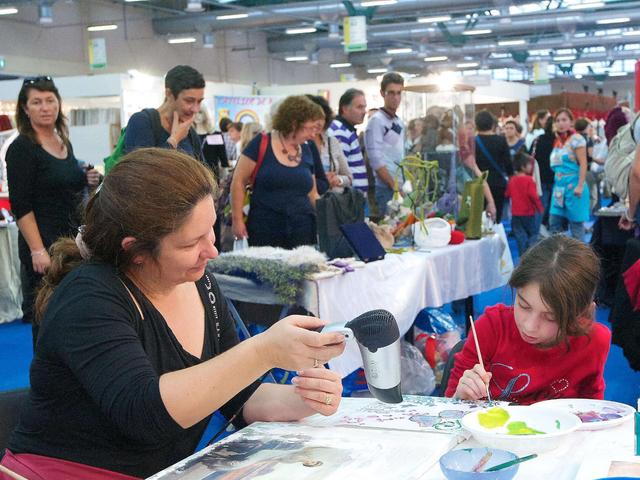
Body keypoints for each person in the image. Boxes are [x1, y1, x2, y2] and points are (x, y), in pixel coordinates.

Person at [0, 148, 346, 479]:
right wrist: (262, 351)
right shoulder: (87, 298)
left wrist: (302, 399)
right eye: (190, 243)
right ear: (134, 250)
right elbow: (145, 415)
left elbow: (237, 395)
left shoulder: (198, 281)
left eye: (211, 228)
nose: (211, 250)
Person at [445, 235, 610, 405]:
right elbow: (449, 405)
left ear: (580, 313)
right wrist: (460, 396)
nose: (530, 327)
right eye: (524, 306)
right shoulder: (492, 328)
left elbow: (592, 409)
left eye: (551, 317)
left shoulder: (593, 341)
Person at [6, 76, 100, 330]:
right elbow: (21, 204)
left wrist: (86, 180)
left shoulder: (63, 142)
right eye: (36, 102)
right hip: (44, 248)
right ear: (25, 109)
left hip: (71, 244)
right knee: (48, 322)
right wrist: (38, 250)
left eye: (50, 100)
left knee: (74, 319)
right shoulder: (21, 149)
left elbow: (62, 185)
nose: (45, 107)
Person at [231, 95, 323, 248]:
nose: (313, 134)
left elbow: (312, 193)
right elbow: (238, 181)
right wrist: (237, 220)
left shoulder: (307, 149)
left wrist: (326, 218)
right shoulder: (260, 143)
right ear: (294, 123)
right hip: (265, 228)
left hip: (303, 229)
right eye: (310, 128)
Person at [123, 65, 204, 160]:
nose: (196, 109)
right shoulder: (142, 121)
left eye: (199, 101)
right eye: (189, 101)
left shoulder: (190, 132)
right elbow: (143, 171)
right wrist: (174, 140)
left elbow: (203, 170)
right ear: (169, 94)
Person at [365, 72, 406, 216]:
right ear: (382, 93)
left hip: (400, 186)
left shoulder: (398, 121)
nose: (395, 98)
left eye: (399, 93)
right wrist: (394, 186)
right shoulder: (376, 121)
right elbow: (376, 160)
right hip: (386, 188)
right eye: (391, 93)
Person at [549, 108, 589, 240]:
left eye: (564, 119)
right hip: (559, 188)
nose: (561, 123)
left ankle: (580, 259)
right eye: (558, 120)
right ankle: (558, 256)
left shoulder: (576, 139)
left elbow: (583, 163)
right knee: (554, 223)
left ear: (571, 122)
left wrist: (580, 185)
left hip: (574, 186)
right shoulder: (557, 141)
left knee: (576, 227)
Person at [307, 95, 352, 193]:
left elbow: (349, 177)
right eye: (314, 118)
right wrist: (323, 182)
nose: (319, 123)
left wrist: (337, 180)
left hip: (333, 202)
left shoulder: (332, 142)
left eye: (322, 118)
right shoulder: (301, 144)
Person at [474, 110, 513, 223]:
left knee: (480, 217)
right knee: (496, 217)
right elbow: (508, 163)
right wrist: (510, 177)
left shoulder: (473, 142)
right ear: (492, 124)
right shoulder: (500, 140)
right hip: (498, 183)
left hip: (479, 183)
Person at [328, 88, 368, 195]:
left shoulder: (346, 130)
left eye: (364, 107)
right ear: (345, 109)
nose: (364, 111)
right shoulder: (340, 131)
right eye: (359, 107)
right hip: (350, 199)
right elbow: (340, 170)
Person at [505, 152, 543, 255]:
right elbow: (533, 196)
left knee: (519, 235)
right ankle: (530, 253)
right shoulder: (529, 180)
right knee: (533, 234)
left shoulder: (512, 180)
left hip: (516, 214)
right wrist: (539, 208)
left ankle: (523, 255)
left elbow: (507, 194)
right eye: (529, 164)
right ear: (523, 166)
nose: (531, 166)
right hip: (528, 213)